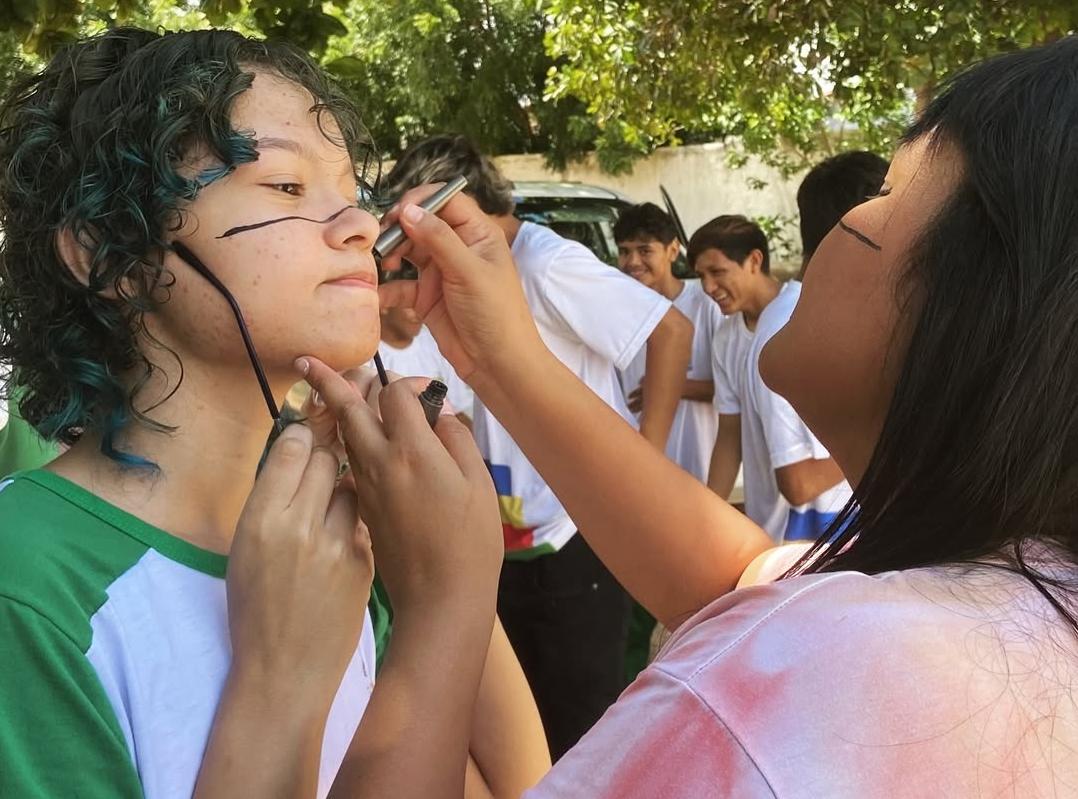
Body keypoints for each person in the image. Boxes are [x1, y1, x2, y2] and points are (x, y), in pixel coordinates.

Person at [362, 34, 1078, 796]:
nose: (833, 227)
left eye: (887, 192)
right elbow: (743, 577)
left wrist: (435, 601)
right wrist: (499, 358)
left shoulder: (784, 701)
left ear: (987, 297)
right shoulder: (1017, 595)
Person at [0, 28, 548, 798]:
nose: (362, 226)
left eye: (355, 192)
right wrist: (280, 681)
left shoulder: (339, 532)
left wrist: (444, 580)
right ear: (108, 255)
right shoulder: (26, 590)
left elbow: (520, 784)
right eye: (286, 187)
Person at [380, 134, 693, 759]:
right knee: (523, 731)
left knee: (584, 727)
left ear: (454, 204)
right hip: (511, 537)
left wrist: (644, 469)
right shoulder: (459, 273)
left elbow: (670, 331)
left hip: (577, 531)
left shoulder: (545, 263)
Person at [698, 215, 849, 542]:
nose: (709, 287)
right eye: (701, 276)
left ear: (754, 260)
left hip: (822, 524)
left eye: (717, 272)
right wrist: (707, 517)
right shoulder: (726, 338)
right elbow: (729, 435)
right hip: (768, 528)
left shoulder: (802, 316)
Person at [615, 202, 722, 483]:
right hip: (637, 469)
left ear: (673, 250)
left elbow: (732, 390)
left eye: (645, 250)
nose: (633, 262)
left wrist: (666, 386)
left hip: (698, 468)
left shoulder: (706, 304)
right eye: (624, 251)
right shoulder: (614, 311)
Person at [375, 266, 474, 428]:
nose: (419, 312)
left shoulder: (436, 343)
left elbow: (458, 413)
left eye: (420, 301)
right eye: (409, 303)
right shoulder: (366, 357)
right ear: (384, 303)